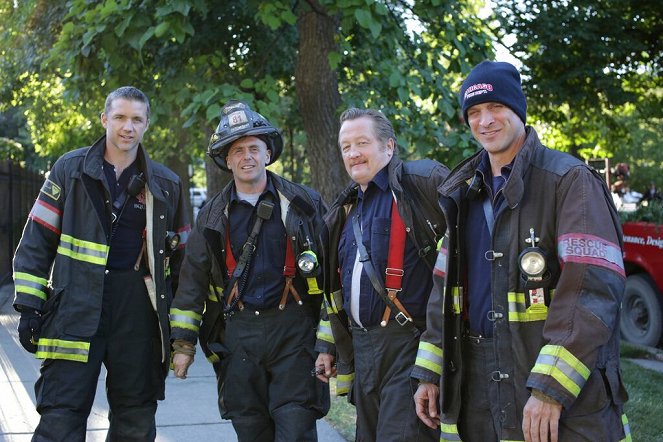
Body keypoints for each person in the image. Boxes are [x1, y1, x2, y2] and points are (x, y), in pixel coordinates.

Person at [412, 60, 630, 441]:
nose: (485, 121)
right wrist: (431, 373)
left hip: (556, 387)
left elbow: (591, 291)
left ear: (518, 110)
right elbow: (443, 293)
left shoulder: (569, 181)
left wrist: (550, 388)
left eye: (496, 107)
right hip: (478, 384)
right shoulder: (461, 193)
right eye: (475, 112)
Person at [12, 86, 190, 440]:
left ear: (147, 125)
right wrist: (29, 307)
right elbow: (36, 240)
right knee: (60, 416)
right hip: (74, 308)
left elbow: (184, 266)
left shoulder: (166, 185)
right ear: (104, 119)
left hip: (137, 312)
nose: (128, 127)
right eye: (121, 117)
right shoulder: (70, 170)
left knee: (135, 418)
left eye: (137, 119)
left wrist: (180, 333)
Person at [169, 100, 329, 441]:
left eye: (254, 148)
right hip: (239, 336)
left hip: (294, 333)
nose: (247, 157)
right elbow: (192, 282)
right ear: (227, 161)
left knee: (297, 428)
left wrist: (331, 340)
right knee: (251, 429)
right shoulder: (212, 217)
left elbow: (333, 272)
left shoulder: (304, 203)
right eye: (238, 150)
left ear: (268, 153)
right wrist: (183, 346)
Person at [314, 108, 448, 441]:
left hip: (409, 345)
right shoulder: (345, 211)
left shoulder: (421, 186)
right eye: (346, 146)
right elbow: (338, 289)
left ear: (389, 147)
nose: (353, 153)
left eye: (362, 142)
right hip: (363, 349)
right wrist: (327, 345)